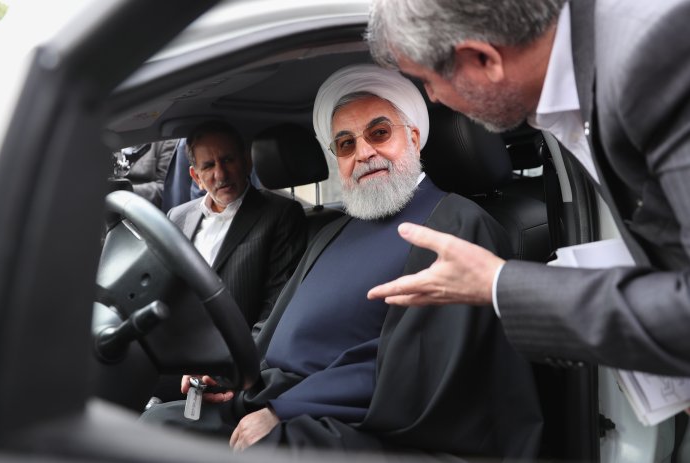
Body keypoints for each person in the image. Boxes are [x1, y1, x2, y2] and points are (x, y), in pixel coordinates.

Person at [141, 64, 542, 459]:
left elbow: (419, 364)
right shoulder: (334, 229)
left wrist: (286, 410)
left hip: (367, 419)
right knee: (159, 425)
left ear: (414, 137)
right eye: (346, 144)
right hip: (288, 397)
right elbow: (276, 332)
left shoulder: (455, 224)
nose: (364, 153)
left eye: (379, 133)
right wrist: (233, 376)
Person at [365, 0, 690, 376]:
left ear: (483, 58)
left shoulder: (655, 58)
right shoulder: (590, 65)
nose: (432, 97)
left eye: (427, 81)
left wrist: (496, 283)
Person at [166, 120, 307, 331]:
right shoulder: (177, 216)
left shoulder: (280, 214)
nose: (221, 174)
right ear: (196, 177)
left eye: (228, 160)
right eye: (209, 166)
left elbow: (276, 308)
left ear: (247, 162)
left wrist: (246, 352)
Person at [115, 139, 177, 208]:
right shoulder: (114, 138)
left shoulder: (165, 140)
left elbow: (164, 188)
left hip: (143, 206)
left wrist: (124, 189)